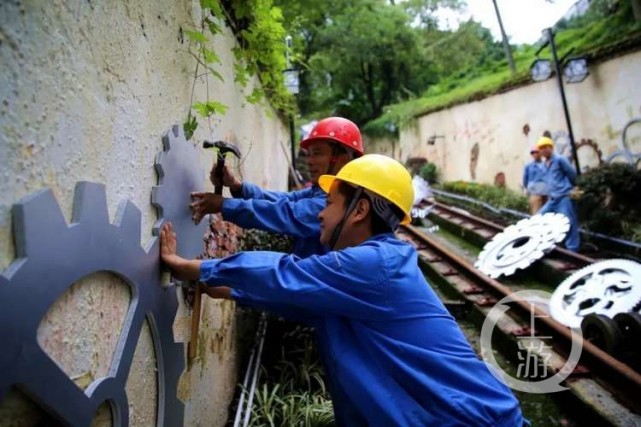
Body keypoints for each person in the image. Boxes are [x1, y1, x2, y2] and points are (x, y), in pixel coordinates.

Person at [161, 154, 524, 426]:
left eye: (330, 203)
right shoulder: (372, 268)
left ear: (359, 210)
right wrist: (232, 290)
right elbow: (309, 304)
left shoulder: (376, 264)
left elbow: (288, 273)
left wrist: (196, 267)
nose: (320, 213)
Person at [189, 116, 363, 258]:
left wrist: (222, 204)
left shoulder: (340, 201)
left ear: (343, 158)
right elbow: (283, 200)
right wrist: (237, 186)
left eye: (317, 153)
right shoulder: (321, 191)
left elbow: (285, 213)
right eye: (308, 155)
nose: (309, 161)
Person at [537, 136, 581, 252]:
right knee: (539, 218)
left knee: (569, 223)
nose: (544, 150)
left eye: (546, 147)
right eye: (541, 148)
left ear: (551, 148)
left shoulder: (560, 160)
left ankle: (573, 251)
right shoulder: (543, 165)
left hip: (563, 197)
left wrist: (573, 188)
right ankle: (549, 243)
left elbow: (571, 174)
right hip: (552, 199)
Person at [522, 146, 548, 214]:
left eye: (537, 152)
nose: (535, 154)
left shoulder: (546, 164)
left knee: (548, 213)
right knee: (536, 212)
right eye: (533, 153)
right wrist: (528, 189)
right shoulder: (529, 166)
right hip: (534, 192)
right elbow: (525, 179)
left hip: (546, 192)